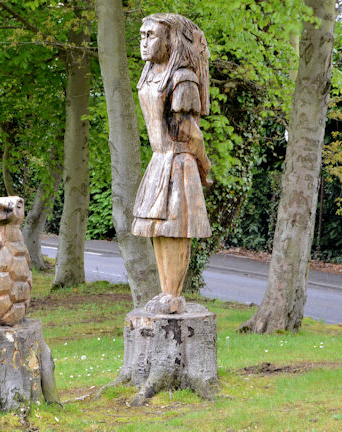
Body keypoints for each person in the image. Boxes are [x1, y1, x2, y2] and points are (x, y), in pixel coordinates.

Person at [132, 13, 212, 313]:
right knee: (158, 229)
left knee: (176, 230)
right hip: (160, 159)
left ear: (171, 39)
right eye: (142, 35)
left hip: (179, 161)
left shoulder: (183, 79)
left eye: (150, 35)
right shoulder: (151, 74)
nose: (143, 42)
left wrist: (203, 166)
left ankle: (174, 294)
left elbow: (190, 132)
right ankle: (166, 292)